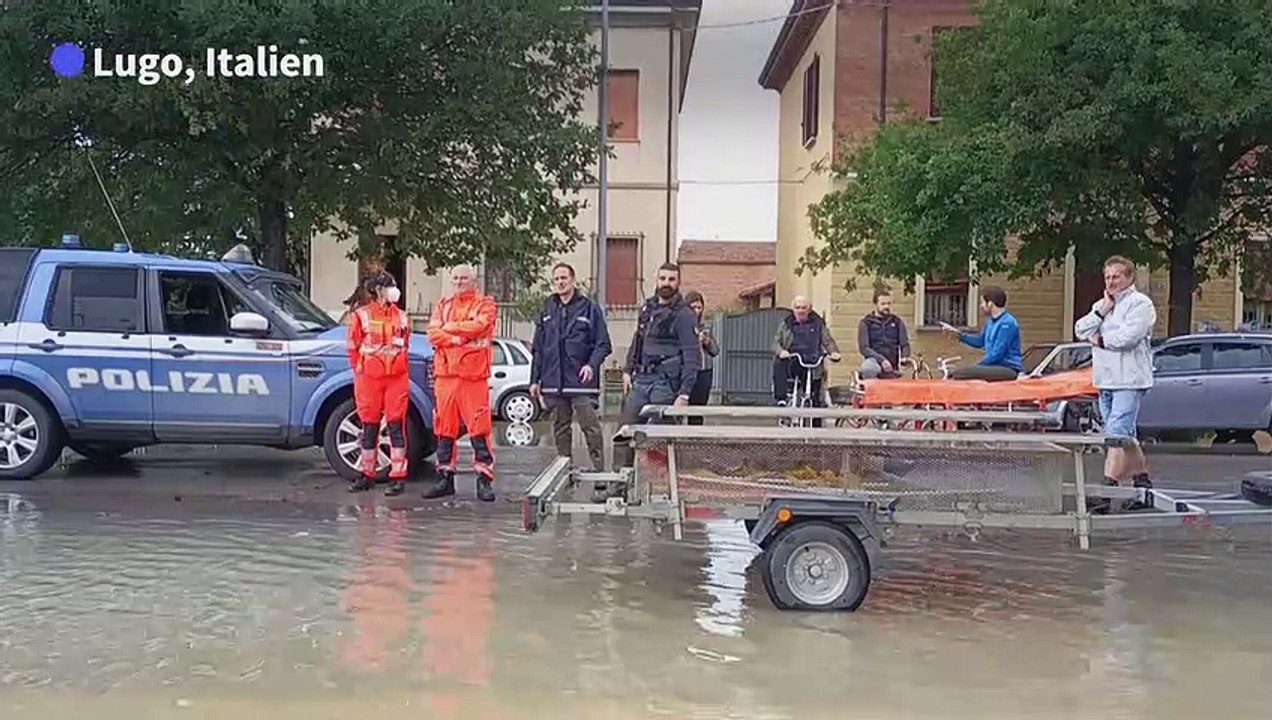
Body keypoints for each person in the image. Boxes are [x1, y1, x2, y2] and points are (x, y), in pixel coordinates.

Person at [1074, 255, 1156, 505]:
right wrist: (1101, 312)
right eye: (1107, 277)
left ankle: (1107, 490)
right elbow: (1080, 330)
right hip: (1106, 379)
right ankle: (1143, 482)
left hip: (1129, 379)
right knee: (1126, 436)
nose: (1111, 282)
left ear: (1129, 277)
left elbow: (1128, 338)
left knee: (1115, 434)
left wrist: (1099, 340)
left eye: (1116, 277)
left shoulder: (1140, 304)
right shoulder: (1102, 305)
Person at [612, 263, 701, 479]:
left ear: (678, 283)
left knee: (658, 438)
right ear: (657, 280)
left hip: (665, 384)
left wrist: (684, 394)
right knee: (623, 434)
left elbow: (692, 357)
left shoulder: (684, 314)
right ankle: (619, 482)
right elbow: (638, 340)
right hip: (640, 381)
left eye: (671, 279)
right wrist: (627, 369)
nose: (666, 283)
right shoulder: (648, 309)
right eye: (663, 279)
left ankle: (656, 485)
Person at [421, 264, 499, 502]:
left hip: (473, 377)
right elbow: (432, 334)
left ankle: (484, 479)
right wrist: (457, 338)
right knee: (444, 428)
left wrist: (451, 329)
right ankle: (445, 478)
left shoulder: (485, 304)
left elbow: (480, 326)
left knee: (479, 428)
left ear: (473, 281)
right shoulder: (443, 305)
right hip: (445, 376)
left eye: (463, 278)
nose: (458, 282)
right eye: (455, 278)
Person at [529, 262, 612, 474]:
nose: (560, 282)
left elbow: (603, 344)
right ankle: (564, 470)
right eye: (556, 279)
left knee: (590, 427)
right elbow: (538, 348)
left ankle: (599, 471)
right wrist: (534, 380)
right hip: (554, 382)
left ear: (573, 280)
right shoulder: (547, 309)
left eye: (564, 278)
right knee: (560, 428)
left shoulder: (589, 308)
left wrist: (591, 366)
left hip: (580, 382)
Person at [345, 271, 412, 496]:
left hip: (396, 378)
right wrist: (360, 369)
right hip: (369, 378)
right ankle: (367, 474)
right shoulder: (361, 315)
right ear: (379, 290)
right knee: (370, 426)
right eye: (390, 286)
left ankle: (398, 476)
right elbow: (353, 346)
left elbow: (405, 344)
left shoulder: (402, 316)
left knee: (395, 426)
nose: (395, 290)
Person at [940, 285, 1022, 380]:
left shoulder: (1007, 323)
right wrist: (959, 335)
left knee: (961, 373)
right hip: (995, 366)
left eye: (982, 302)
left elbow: (998, 354)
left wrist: (977, 366)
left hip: (1008, 368)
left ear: (990, 304)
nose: (981, 306)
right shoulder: (990, 322)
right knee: (963, 372)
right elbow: (980, 341)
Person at [857, 289, 911, 379]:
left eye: (888, 303)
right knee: (868, 368)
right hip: (874, 363)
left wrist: (905, 357)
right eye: (883, 304)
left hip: (892, 366)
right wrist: (882, 360)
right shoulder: (866, 323)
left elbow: (904, 344)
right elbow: (864, 348)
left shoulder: (897, 321)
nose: (886, 306)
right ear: (875, 304)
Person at [684, 291, 718, 425]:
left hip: (704, 372)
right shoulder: (682, 326)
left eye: (699, 308)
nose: (697, 311)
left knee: (698, 409)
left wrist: (707, 342)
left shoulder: (705, 327)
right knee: (682, 407)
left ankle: (695, 433)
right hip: (687, 371)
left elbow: (715, 351)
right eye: (693, 307)